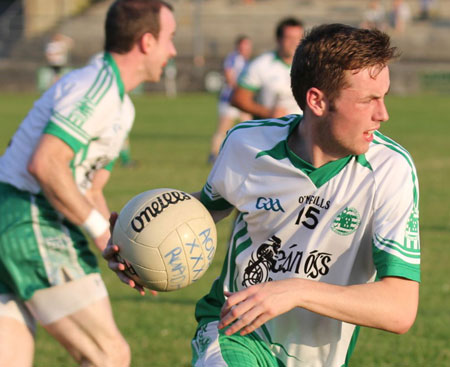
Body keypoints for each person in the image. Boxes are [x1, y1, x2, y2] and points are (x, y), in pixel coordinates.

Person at [104, 23, 421, 366]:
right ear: (317, 100)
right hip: (234, 332)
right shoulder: (248, 145)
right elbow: (206, 208)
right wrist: (138, 236)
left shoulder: (390, 171)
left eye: (383, 97)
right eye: (368, 100)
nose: (383, 114)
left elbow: (399, 308)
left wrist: (296, 290)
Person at [0, 1, 176, 366]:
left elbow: (91, 189)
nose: (173, 50)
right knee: (109, 355)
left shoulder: (121, 106)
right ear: (146, 42)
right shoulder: (95, 87)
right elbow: (46, 164)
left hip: (15, 219)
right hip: (27, 217)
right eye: (169, 39)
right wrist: (99, 233)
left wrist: (118, 246)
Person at [231, 17, 304, 119]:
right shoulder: (260, 64)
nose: (294, 42)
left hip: (304, 130)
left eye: (298, 38)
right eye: (289, 38)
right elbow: (238, 98)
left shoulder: (311, 64)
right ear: (278, 39)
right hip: (271, 129)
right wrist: (268, 112)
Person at [208, 35, 253, 164]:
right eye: (244, 45)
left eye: (248, 46)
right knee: (223, 128)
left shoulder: (246, 61)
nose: (247, 48)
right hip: (230, 99)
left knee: (249, 127)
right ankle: (213, 154)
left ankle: (248, 155)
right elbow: (229, 76)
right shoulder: (234, 58)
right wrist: (239, 90)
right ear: (238, 46)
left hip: (240, 100)